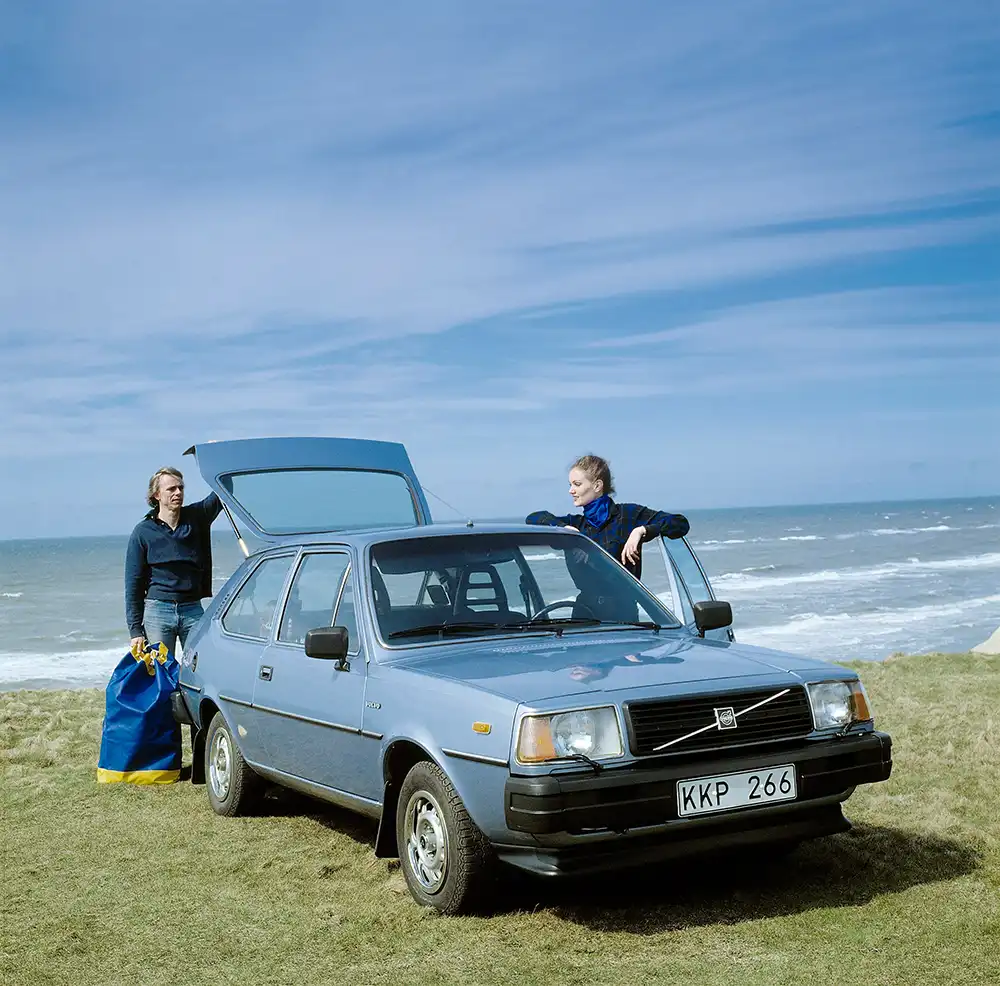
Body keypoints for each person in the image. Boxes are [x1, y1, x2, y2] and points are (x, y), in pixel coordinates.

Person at [525, 454, 689, 580]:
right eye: (570, 485)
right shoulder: (576, 524)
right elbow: (533, 518)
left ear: (597, 485)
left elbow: (680, 523)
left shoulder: (628, 515)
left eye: (577, 484)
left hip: (624, 616)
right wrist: (566, 531)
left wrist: (641, 531)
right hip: (584, 614)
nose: (571, 491)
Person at [125, 467, 223, 658]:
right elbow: (133, 584)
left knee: (198, 666)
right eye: (171, 489)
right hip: (157, 610)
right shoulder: (143, 532)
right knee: (161, 671)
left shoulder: (197, 517)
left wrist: (218, 458)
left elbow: (222, 491)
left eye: (181, 488)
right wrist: (135, 631)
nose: (178, 492)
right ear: (157, 495)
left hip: (192, 609)